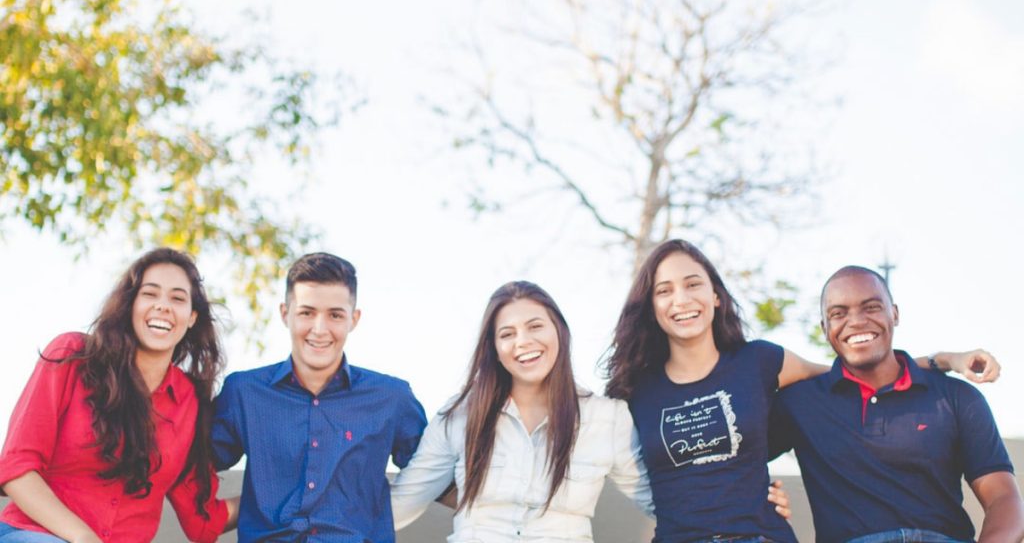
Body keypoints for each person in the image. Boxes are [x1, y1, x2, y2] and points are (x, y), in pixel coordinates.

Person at [603, 239, 999, 543]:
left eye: (693, 284)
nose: (682, 299)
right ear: (651, 305)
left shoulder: (760, 361)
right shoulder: (636, 390)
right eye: (664, 290)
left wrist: (943, 360)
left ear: (716, 296)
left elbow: (852, 371)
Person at [389, 281, 791, 542]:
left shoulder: (606, 419)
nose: (523, 342)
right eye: (507, 334)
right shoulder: (460, 416)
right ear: (494, 348)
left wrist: (752, 500)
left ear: (559, 332)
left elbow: (668, 500)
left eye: (535, 326)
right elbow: (400, 505)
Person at [768, 265, 1024, 543]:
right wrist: (762, 499)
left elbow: (1003, 498)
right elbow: (735, 459)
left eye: (871, 307)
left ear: (895, 314)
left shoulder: (956, 397)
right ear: (824, 328)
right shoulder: (799, 402)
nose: (856, 321)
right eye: (838, 313)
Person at [0, 248, 238, 543]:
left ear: (191, 318)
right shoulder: (72, 356)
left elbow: (203, 523)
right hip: (31, 535)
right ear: (130, 305)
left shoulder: (190, 403)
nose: (163, 306)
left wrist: (281, 495)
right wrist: (83, 538)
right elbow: (17, 468)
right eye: (150, 294)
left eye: (177, 298)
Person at [212, 252, 427, 542]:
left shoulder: (391, 398)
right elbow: (189, 465)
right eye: (307, 313)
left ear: (354, 319)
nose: (320, 329)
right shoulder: (244, 392)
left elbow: (437, 474)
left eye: (335, 315)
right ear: (285, 313)